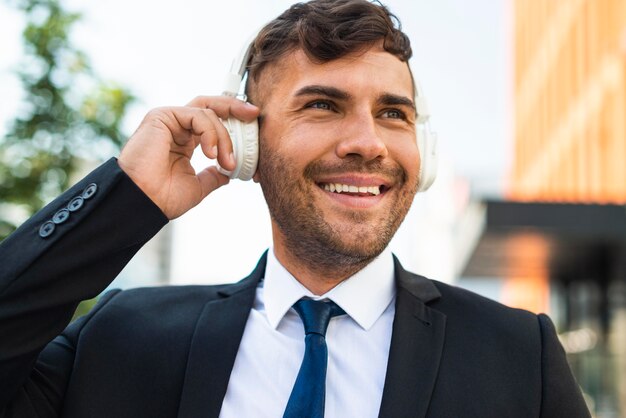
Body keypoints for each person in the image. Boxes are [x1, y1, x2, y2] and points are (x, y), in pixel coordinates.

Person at [0, 0, 591, 417]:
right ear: (247, 146)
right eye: (323, 106)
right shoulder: (121, 335)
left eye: (393, 113)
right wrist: (125, 195)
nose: (369, 141)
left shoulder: (520, 355)